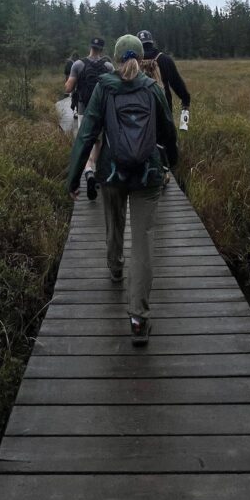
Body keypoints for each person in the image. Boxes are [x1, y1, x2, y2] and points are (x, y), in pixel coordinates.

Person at [66, 34, 178, 344]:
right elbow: (168, 131)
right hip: (147, 174)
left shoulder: (104, 88)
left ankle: (115, 269)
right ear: (141, 58)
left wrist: (74, 178)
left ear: (115, 59)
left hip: (112, 171)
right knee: (142, 240)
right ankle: (138, 318)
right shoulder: (152, 88)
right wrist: (173, 161)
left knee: (114, 224)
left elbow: (86, 134)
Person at [64, 37, 114, 199]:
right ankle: (95, 169)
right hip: (102, 111)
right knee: (98, 142)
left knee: (85, 142)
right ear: (102, 49)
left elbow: (68, 88)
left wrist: (71, 82)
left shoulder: (78, 65)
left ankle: (88, 171)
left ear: (90, 47)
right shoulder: (108, 66)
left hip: (84, 109)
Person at [137, 30, 191, 124]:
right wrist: (184, 123)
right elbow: (178, 85)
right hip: (164, 110)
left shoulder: (133, 62)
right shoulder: (165, 60)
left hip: (140, 112)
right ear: (152, 42)